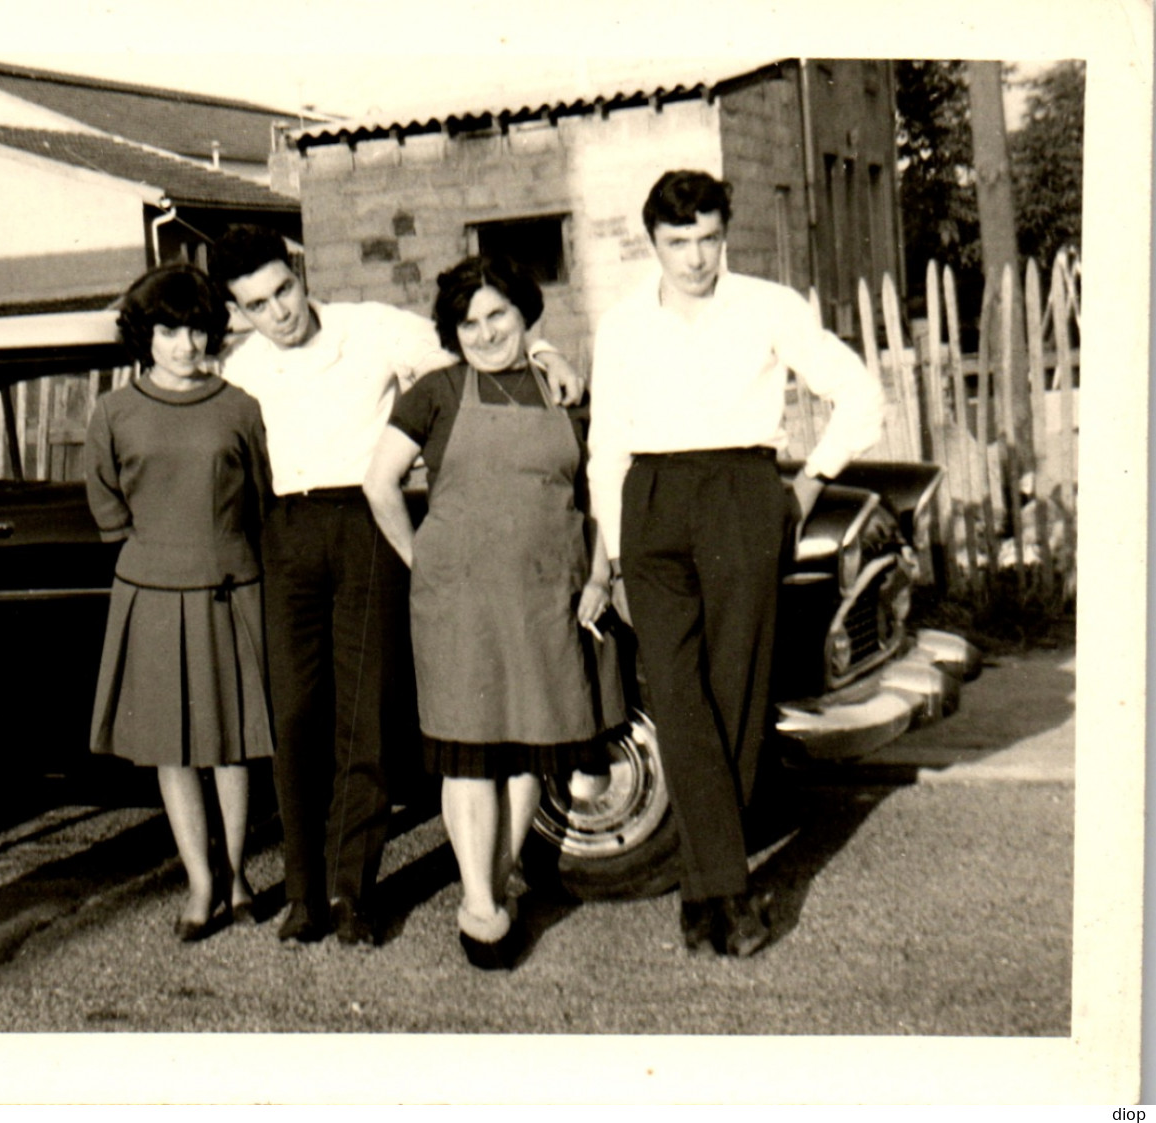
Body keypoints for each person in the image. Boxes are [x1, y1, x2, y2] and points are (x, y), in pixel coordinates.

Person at [210, 225, 585, 947]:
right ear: (239, 312)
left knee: (365, 715)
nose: (279, 312)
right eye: (256, 305)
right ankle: (302, 895)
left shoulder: (371, 327)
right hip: (284, 533)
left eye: (283, 290)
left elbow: (473, 344)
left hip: (365, 526)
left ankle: (353, 891)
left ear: (299, 271)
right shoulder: (242, 370)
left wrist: (546, 349)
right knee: (293, 718)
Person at [587, 170, 884, 958]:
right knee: (678, 701)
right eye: (677, 242)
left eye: (707, 238)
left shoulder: (768, 306)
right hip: (649, 500)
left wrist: (810, 478)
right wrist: (613, 551)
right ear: (651, 242)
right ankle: (722, 887)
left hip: (741, 494)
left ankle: (706, 886)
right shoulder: (619, 325)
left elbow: (858, 393)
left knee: (738, 701)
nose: (693, 257)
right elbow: (604, 445)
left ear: (726, 233)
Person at [362, 256, 618, 970]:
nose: (483, 333)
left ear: (524, 313)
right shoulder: (435, 394)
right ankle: (479, 900)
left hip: (546, 594)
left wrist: (598, 572)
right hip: (461, 600)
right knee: (471, 753)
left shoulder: (565, 388)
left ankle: (495, 877)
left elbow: (599, 496)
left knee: (527, 747)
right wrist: (422, 558)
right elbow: (379, 483)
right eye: (467, 323)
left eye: (497, 315)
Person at [86, 263, 274, 942]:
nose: (185, 345)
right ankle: (200, 880)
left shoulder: (239, 408)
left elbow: (260, 499)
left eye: (196, 329)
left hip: (229, 585)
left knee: (231, 744)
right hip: (153, 595)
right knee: (173, 748)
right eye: (168, 330)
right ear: (146, 334)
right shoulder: (112, 413)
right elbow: (106, 501)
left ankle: (239, 872)